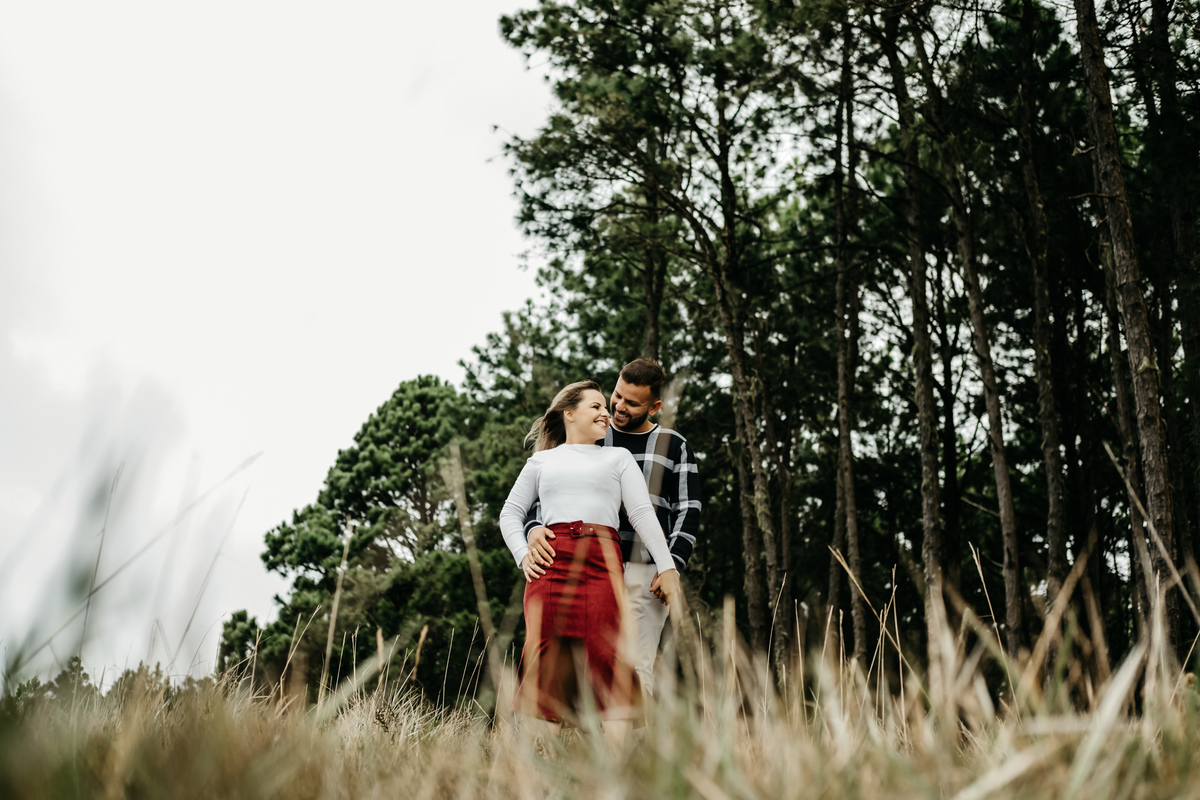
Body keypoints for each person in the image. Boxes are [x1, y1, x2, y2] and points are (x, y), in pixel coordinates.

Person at [499, 380, 681, 741]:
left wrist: (668, 566)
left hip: (602, 564)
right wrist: (523, 555)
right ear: (569, 413)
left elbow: (643, 513)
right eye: (595, 407)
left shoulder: (617, 458)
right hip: (552, 564)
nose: (605, 413)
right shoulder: (541, 461)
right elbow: (510, 514)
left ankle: (614, 777)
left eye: (604, 406)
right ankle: (540, 773)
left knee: (609, 656)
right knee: (547, 662)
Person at [523, 359, 701, 696]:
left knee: (634, 667)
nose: (618, 406)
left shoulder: (673, 445)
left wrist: (672, 566)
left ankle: (630, 749)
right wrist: (533, 529)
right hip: (586, 567)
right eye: (617, 395)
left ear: (655, 406)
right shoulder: (594, 434)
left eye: (632, 403)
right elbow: (543, 493)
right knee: (580, 668)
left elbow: (688, 510)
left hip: (644, 572)